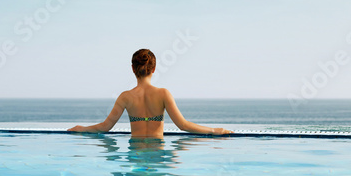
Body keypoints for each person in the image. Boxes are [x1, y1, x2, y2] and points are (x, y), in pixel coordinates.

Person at [67, 49, 233, 138]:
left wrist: (80, 128)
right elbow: (183, 125)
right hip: (157, 156)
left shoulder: (125, 97)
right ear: (154, 69)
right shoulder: (163, 94)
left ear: (133, 69)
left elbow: (105, 127)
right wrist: (214, 130)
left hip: (135, 155)